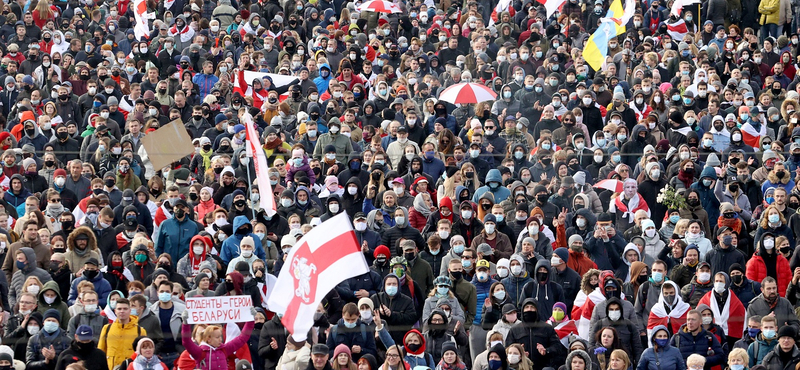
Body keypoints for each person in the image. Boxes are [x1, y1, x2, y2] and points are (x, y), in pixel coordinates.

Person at [180, 308, 256, 370]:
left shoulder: (224, 349)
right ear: (208, 339)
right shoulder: (199, 352)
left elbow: (242, 338)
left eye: (220, 336)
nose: (221, 339)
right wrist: (185, 323)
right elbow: (186, 342)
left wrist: (251, 320)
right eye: (217, 337)